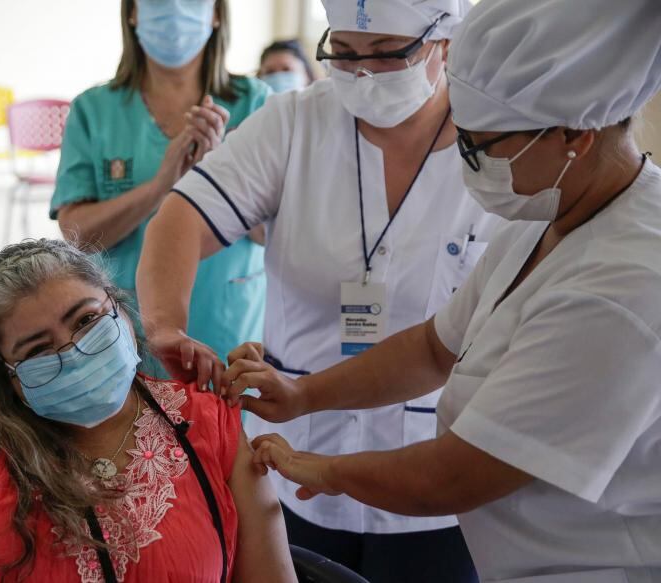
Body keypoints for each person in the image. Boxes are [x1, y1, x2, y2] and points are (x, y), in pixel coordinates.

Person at [230, 1, 661, 581]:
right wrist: (303, 395)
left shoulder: (623, 285)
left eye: (481, 145)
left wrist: (321, 469)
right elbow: (434, 348)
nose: (467, 165)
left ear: (573, 136)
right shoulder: (547, 218)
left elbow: (453, 477)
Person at [136, 0, 494, 579]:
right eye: (344, 54)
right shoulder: (295, 122)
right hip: (294, 465)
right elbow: (181, 218)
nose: (362, 74)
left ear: (444, 44)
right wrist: (164, 327)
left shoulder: (499, 142)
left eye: (387, 55)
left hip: (440, 484)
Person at [0, 239, 295, 582]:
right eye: (38, 349)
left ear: (120, 309)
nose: (75, 352)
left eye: (85, 321)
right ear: (8, 378)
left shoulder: (206, 422)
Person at [52, 0, 269, 367]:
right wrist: (161, 185)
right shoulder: (94, 110)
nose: (173, 9)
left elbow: (274, 232)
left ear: (216, 12)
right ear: (132, 12)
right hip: (128, 328)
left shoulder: (255, 102)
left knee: (227, 422)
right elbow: (76, 233)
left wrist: (217, 177)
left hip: (227, 321)